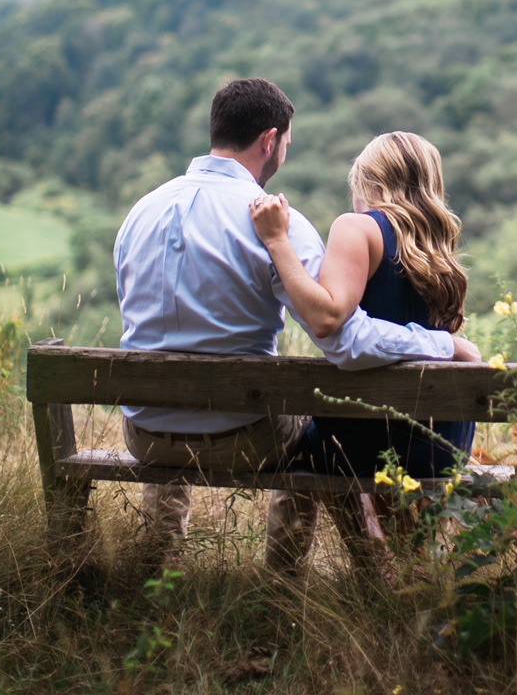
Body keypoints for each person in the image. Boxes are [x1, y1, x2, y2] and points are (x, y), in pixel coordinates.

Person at [114, 78, 478, 569]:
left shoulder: (140, 213)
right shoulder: (278, 224)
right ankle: (286, 581)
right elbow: (342, 336)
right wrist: (441, 344)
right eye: (287, 142)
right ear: (271, 140)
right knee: (315, 430)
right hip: (243, 437)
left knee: (170, 401)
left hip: (146, 433)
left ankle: (152, 559)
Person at [251, 131, 476, 483]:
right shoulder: (440, 252)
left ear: (367, 181)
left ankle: (355, 542)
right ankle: (381, 540)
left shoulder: (357, 228)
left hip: (361, 443)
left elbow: (330, 316)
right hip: (443, 446)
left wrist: (277, 240)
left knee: (305, 450)